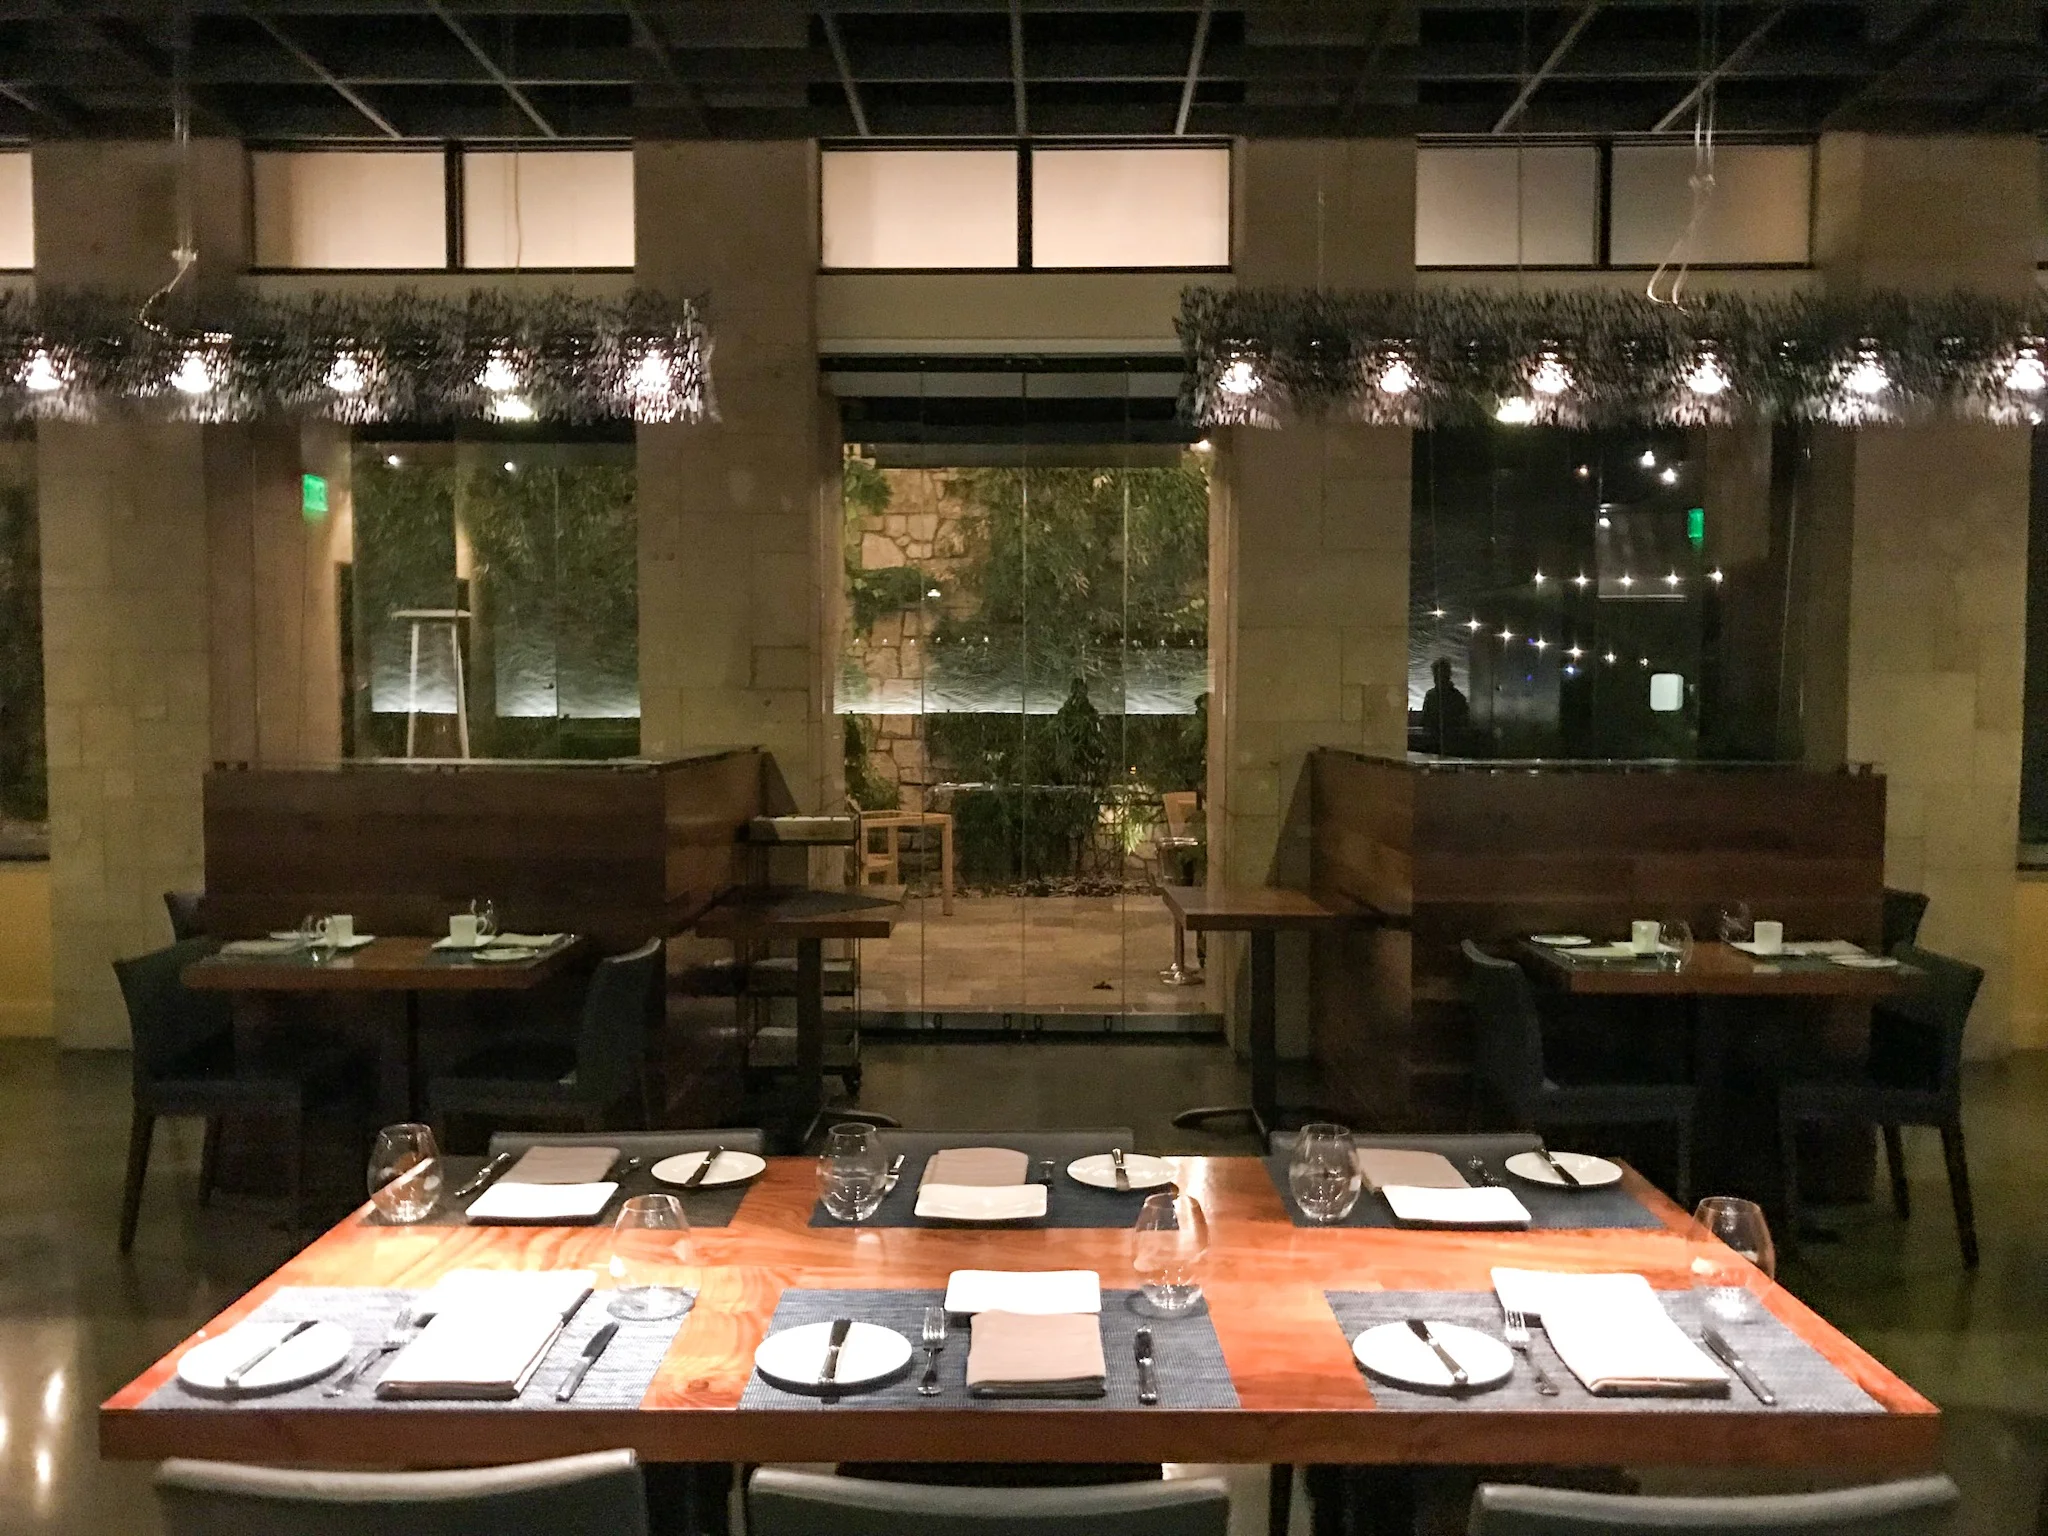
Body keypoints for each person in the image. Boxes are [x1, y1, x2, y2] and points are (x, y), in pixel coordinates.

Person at [1418, 657, 1472, 755]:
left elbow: (1425, 720)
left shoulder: (1432, 696)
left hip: (1449, 745)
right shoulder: (1458, 697)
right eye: (1436, 675)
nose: (1438, 679)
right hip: (1440, 744)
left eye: (1440, 676)